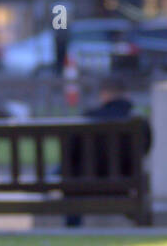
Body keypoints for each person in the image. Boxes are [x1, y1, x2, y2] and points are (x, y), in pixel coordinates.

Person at [64, 74, 152, 227]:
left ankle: (72, 227)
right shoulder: (139, 122)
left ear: (103, 95)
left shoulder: (87, 118)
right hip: (125, 184)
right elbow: (145, 151)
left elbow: (70, 154)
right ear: (126, 95)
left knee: (62, 171)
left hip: (84, 185)